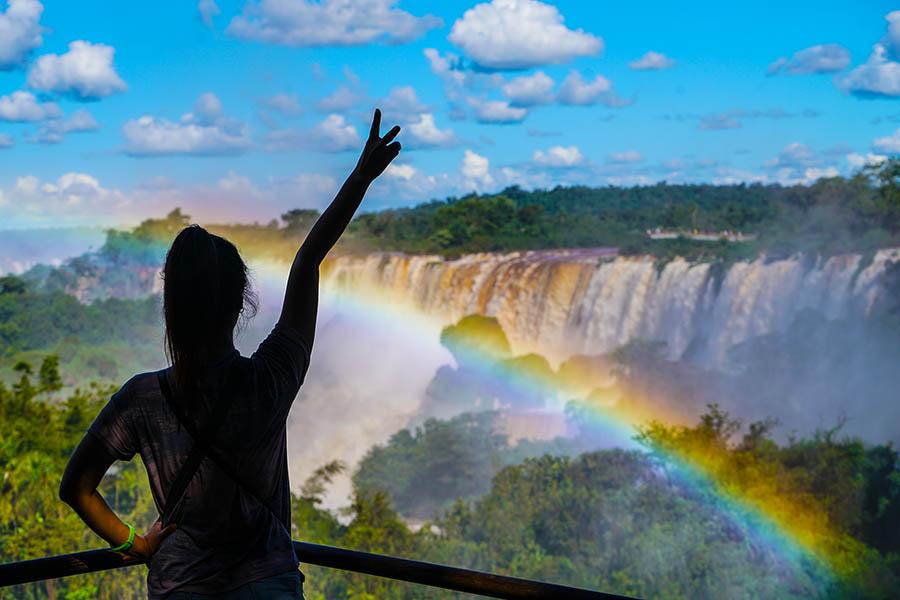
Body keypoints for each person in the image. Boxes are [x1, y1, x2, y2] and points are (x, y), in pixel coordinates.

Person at [58, 109, 401, 599]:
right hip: (268, 584)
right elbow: (308, 261)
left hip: (180, 587)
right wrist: (361, 178)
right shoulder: (271, 379)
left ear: (171, 306)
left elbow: (76, 488)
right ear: (241, 301)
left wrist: (137, 543)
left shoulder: (140, 399)